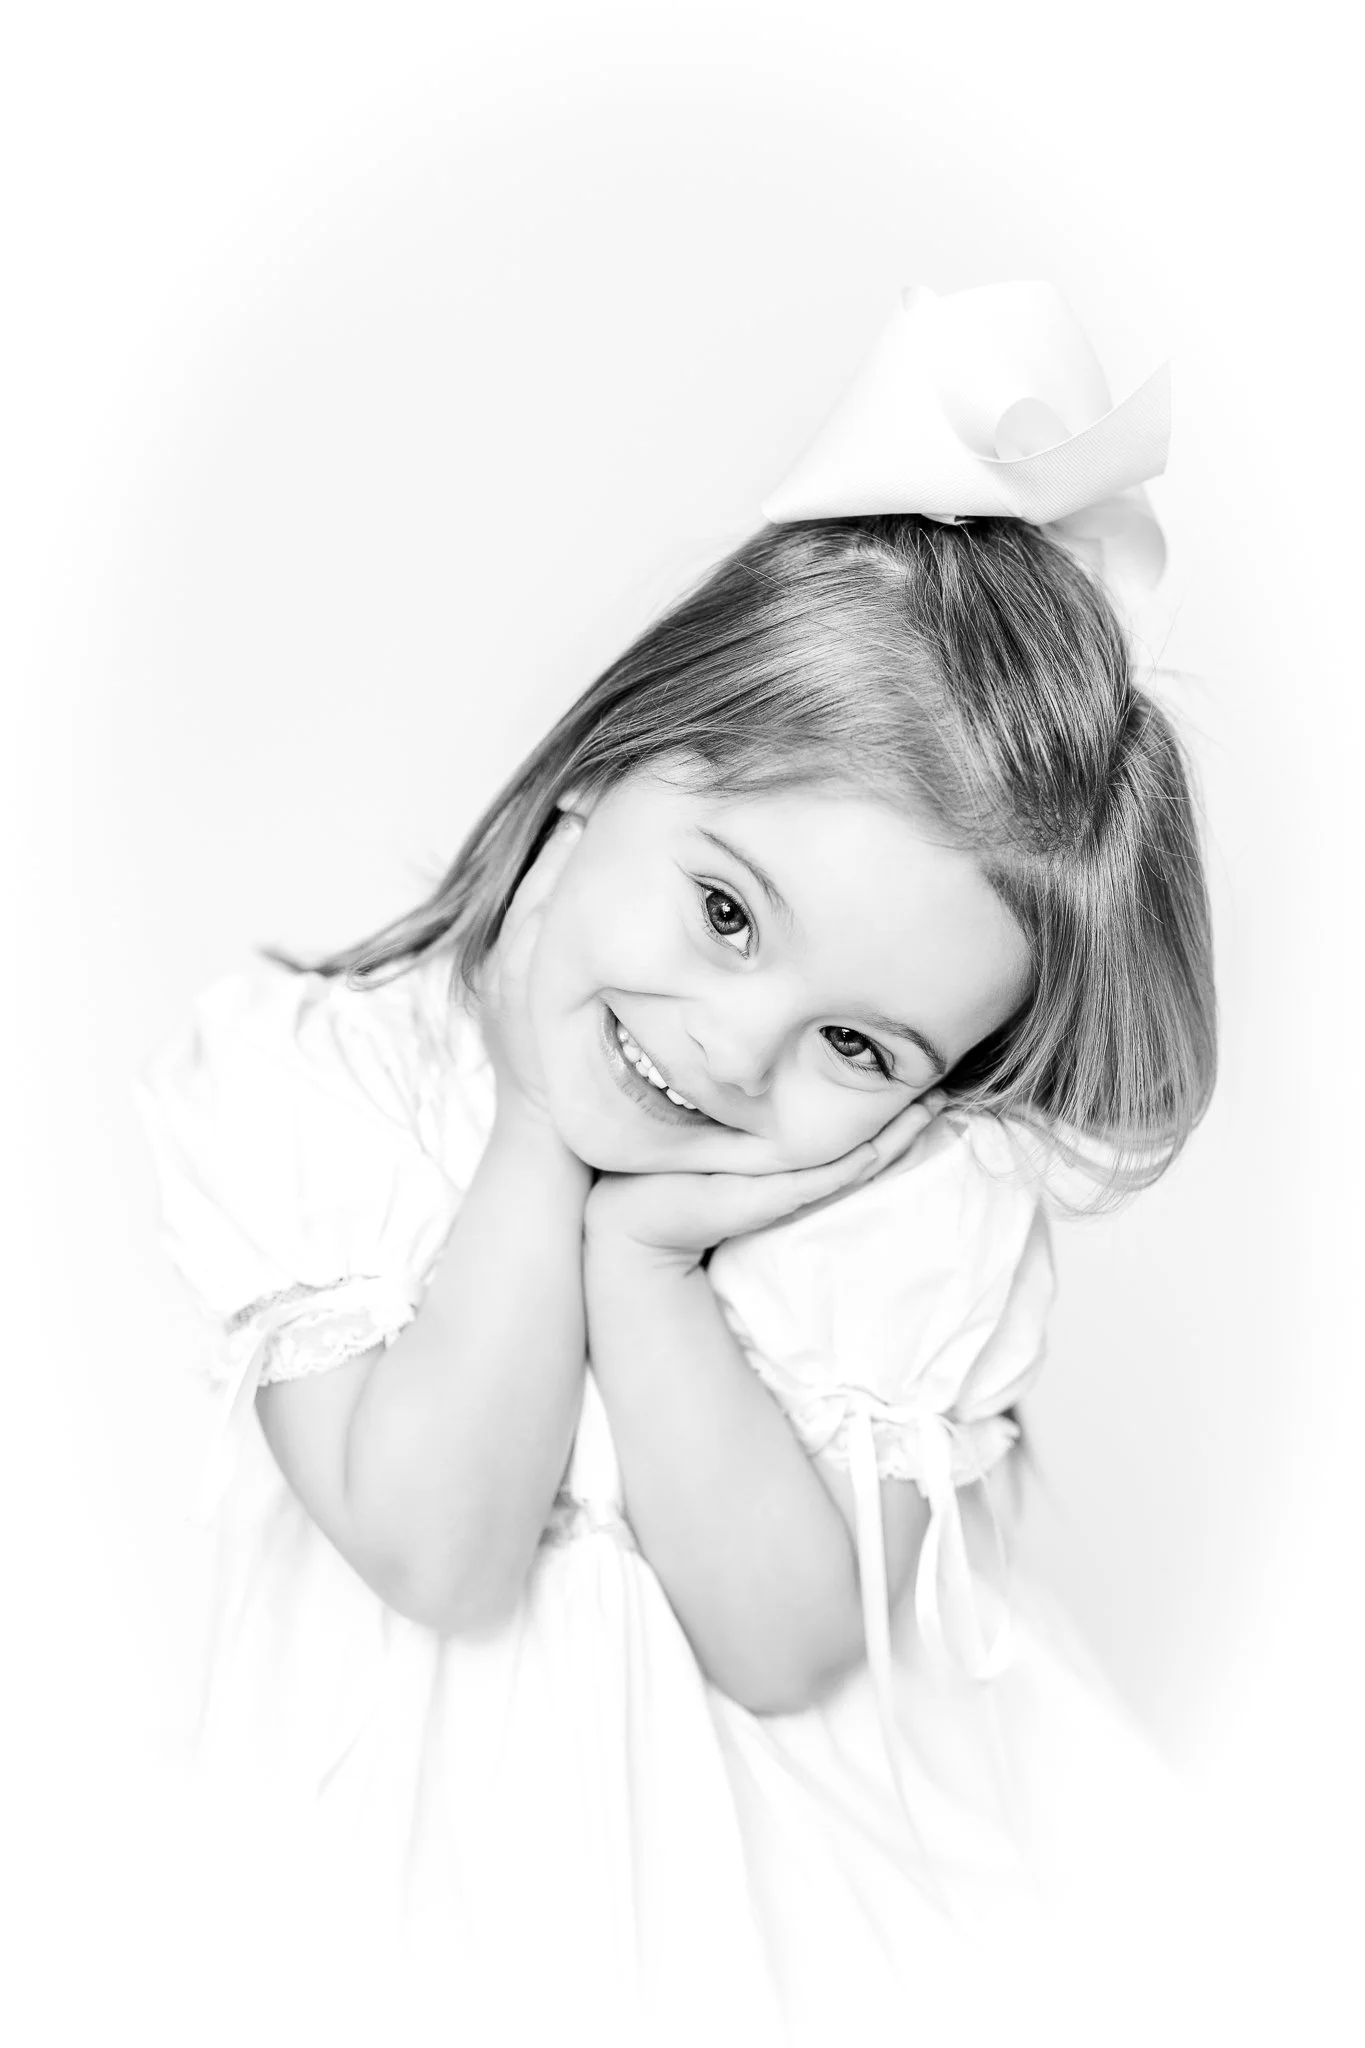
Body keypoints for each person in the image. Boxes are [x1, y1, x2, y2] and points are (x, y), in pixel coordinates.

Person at [133, 282, 1217, 2046]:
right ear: (596, 781)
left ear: (941, 1085)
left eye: (858, 1046)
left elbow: (786, 1650)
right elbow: (437, 1549)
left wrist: (643, 1271)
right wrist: (541, 1144)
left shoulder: (908, 1216)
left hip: (792, 1954)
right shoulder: (325, 1098)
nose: (734, 1050)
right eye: (727, 912)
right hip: (392, 1934)